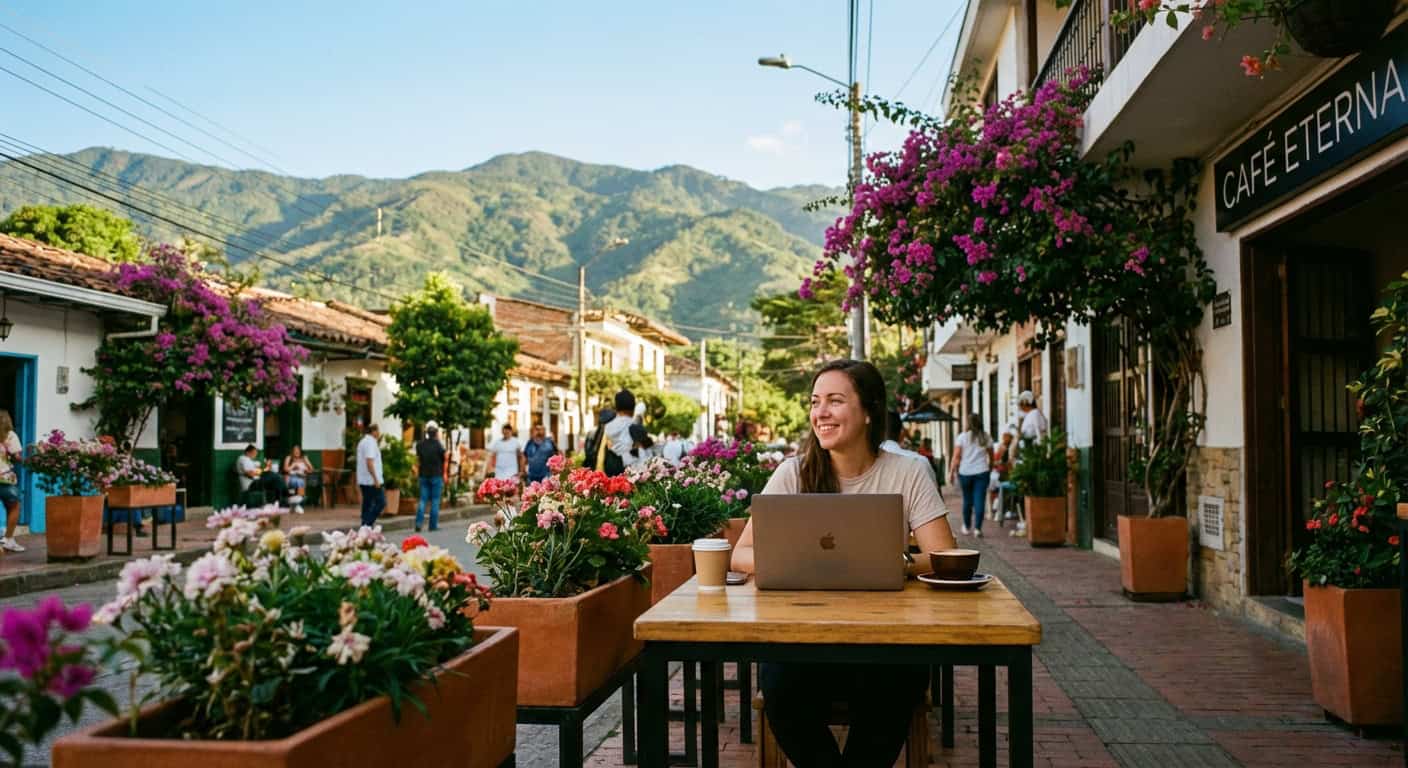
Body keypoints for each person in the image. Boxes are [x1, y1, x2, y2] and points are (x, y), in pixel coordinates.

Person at [731, 359, 956, 768]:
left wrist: (895, 562)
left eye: (835, 401)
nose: (821, 412)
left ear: (869, 411)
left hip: (884, 639)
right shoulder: (793, 473)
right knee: (779, 686)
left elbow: (944, 557)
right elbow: (741, 554)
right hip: (803, 638)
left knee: (900, 681)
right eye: (815, 402)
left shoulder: (908, 472)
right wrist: (792, 560)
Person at [1009, 391, 1049, 537]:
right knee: (1022, 491)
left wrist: (1042, 453)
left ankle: (1028, 522)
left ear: (1026, 403)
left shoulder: (1035, 414)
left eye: (1021, 403)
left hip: (1032, 459)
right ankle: (1024, 520)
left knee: (1027, 490)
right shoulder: (1029, 416)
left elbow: (1040, 435)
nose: (1019, 406)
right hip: (1026, 458)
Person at [948, 412, 993, 537]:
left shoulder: (962, 437)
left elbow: (956, 457)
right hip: (982, 472)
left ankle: (967, 527)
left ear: (968, 423)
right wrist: (990, 468)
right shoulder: (986, 437)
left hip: (965, 473)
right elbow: (991, 456)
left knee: (967, 500)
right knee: (980, 500)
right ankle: (978, 529)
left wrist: (951, 472)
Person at [415, 421, 447, 533]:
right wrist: (445, 474)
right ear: (436, 433)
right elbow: (444, 458)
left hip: (423, 475)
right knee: (435, 500)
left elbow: (418, 460)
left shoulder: (420, 445)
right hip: (436, 475)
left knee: (423, 500)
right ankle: (432, 525)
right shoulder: (438, 445)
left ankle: (418, 523)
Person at [603, 390, 642, 476]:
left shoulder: (608, 426)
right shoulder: (635, 425)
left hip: (613, 471)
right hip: (633, 471)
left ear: (616, 407)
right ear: (633, 407)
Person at [238, 444, 290, 509]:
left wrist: (264, 469)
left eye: (255, 454)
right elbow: (250, 474)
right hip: (252, 484)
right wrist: (262, 472)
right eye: (254, 453)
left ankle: (280, 502)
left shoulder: (248, 460)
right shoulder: (244, 459)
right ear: (248, 452)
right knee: (275, 477)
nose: (255, 455)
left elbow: (257, 468)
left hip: (256, 481)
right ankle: (285, 499)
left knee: (276, 479)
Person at [0, 410, 23, 553]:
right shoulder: (10, 435)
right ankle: (8, 539)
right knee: (14, 506)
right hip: (4, 478)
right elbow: (17, 456)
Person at [355, 424, 385, 527]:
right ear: (373, 431)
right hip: (371, 480)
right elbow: (369, 462)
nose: (379, 433)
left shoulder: (363, 442)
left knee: (367, 503)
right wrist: (376, 479)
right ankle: (366, 524)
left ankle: (364, 526)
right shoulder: (370, 443)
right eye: (378, 430)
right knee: (381, 502)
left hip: (364, 479)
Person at [989, 430, 1015, 522]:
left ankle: (995, 508)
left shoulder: (1006, 449)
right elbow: (995, 463)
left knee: (994, 488)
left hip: (1002, 474)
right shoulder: (1003, 448)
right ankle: (997, 508)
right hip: (1002, 474)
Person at [282, 445, 312, 514]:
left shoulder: (304, 458)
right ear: (292, 451)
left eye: (298, 450)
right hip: (291, 477)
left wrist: (306, 471)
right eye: (295, 450)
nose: (296, 452)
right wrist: (293, 466)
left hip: (302, 477)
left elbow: (311, 469)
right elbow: (285, 469)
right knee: (298, 482)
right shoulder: (289, 457)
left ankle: (295, 504)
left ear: (300, 451)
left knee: (301, 481)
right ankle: (296, 504)